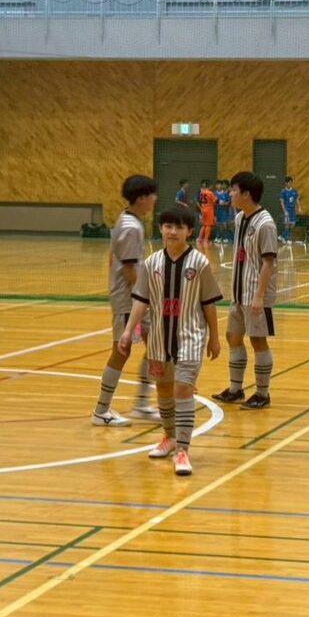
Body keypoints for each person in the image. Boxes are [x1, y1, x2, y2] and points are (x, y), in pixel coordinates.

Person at [119, 207, 222, 476]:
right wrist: (129, 331)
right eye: (168, 226)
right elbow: (140, 300)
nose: (173, 232)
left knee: (183, 389)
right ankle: (170, 437)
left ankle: (183, 451)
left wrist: (214, 337)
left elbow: (209, 304)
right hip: (158, 337)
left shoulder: (199, 263)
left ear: (189, 231)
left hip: (190, 336)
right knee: (164, 390)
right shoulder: (151, 263)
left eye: (179, 227)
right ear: (160, 229)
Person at [91, 175, 159, 427]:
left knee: (156, 346)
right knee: (121, 351)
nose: (155, 199)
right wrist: (145, 298)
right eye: (152, 195)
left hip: (134, 299)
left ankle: (141, 404)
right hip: (128, 301)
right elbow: (130, 270)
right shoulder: (131, 227)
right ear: (141, 198)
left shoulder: (128, 220)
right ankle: (101, 410)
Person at [212, 171, 278, 410]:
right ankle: (235, 389)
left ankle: (262, 393)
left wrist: (259, 296)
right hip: (238, 292)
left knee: (258, 341)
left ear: (246, 194)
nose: (230, 194)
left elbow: (268, 263)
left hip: (256, 294)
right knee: (233, 336)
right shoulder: (240, 218)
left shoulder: (265, 224)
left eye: (233, 190)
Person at [279, 176, 300, 243]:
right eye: (289, 183)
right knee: (287, 224)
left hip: (292, 210)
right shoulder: (283, 191)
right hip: (287, 210)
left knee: (292, 224)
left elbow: (297, 199)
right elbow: (282, 202)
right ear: (286, 183)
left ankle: (282, 236)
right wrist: (285, 211)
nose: (291, 184)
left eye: (291, 183)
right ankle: (286, 239)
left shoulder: (294, 191)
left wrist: (299, 207)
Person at [197, 180, 216, 248]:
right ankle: (206, 239)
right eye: (211, 186)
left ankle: (199, 238)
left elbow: (200, 201)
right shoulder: (210, 193)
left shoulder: (201, 192)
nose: (212, 187)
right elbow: (215, 200)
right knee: (209, 225)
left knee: (204, 225)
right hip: (209, 209)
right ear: (209, 186)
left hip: (203, 209)